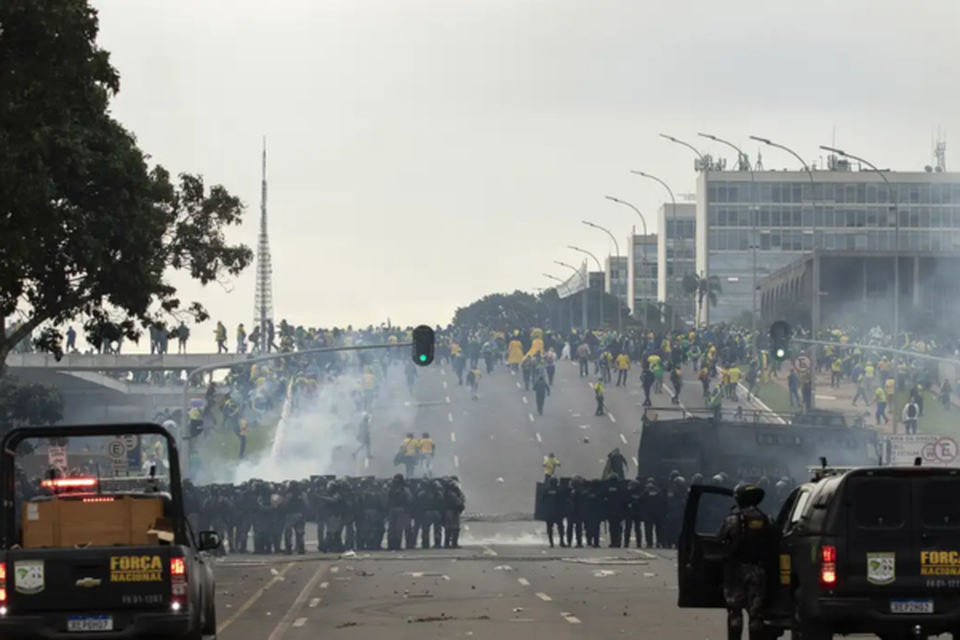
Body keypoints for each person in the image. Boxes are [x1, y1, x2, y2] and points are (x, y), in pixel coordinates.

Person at [717, 483, 774, 640]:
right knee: (756, 614)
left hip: (735, 571)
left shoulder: (732, 519)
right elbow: (775, 542)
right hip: (758, 570)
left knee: (735, 612)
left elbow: (720, 539)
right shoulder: (766, 519)